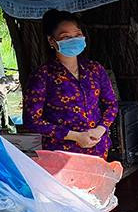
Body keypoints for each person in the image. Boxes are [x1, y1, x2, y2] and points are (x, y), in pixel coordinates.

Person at [23, 9, 118, 159]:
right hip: (61, 154)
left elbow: (111, 105)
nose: (73, 39)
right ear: (51, 41)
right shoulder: (42, 76)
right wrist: (74, 136)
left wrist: (100, 129)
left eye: (77, 35)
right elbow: (32, 121)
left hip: (98, 149)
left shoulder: (95, 69)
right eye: (66, 37)